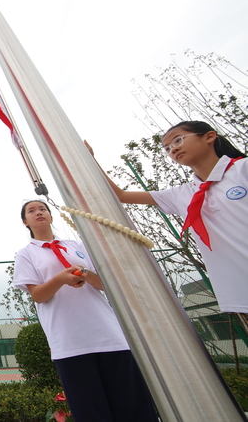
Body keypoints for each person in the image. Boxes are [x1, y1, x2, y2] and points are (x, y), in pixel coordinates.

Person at [13, 200, 157, 422]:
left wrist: (85, 275)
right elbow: (38, 295)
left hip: (109, 336)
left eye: (43, 209)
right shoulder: (26, 254)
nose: (38, 212)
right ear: (25, 222)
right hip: (70, 342)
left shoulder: (76, 246)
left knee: (133, 407)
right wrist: (61, 279)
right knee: (91, 411)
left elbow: (105, 284)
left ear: (51, 217)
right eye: (31, 211)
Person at [89, 121, 248, 316]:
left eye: (178, 140)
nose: (173, 149)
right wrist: (90, 160)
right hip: (241, 292)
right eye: (167, 148)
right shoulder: (183, 194)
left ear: (209, 136)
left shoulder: (242, 170)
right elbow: (121, 196)